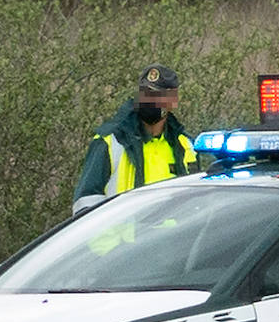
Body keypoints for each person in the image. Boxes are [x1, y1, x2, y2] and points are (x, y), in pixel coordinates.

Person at [72, 64, 198, 214]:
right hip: (123, 237)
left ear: (173, 101)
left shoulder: (185, 146)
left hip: (172, 237)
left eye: (157, 95)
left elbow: (195, 205)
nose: (149, 100)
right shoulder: (112, 141)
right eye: (146, 93)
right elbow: (85, 204)